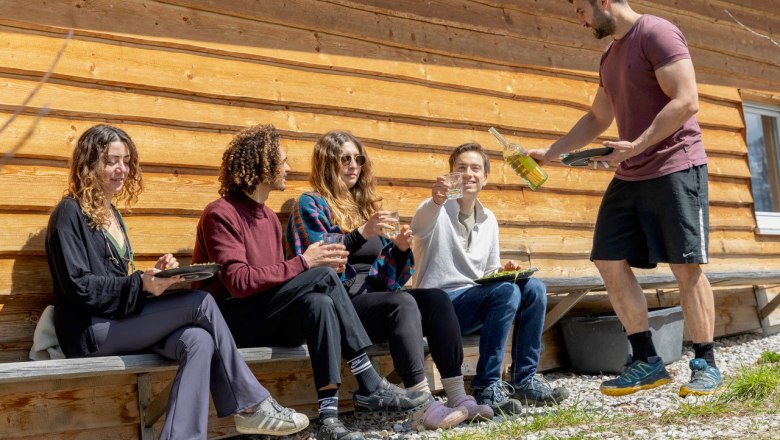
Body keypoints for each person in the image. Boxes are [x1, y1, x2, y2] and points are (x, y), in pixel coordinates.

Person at [44, 124, 309, 440]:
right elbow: (79, 286)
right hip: (90, 329)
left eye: (127, 161)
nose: (122, 170)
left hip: (120, 320)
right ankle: (252, 405)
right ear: (89, 164)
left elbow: (111, 280)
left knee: (198, 340)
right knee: (202, 302)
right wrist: (138, 285)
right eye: (113, 161)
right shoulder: (69, 213)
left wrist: (153, 277)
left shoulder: (110, 214)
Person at [528, 0, 721, 397]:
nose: (578, 18)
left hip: (675, 165)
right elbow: (598, 117)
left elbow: (686, 100)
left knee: (685, 267)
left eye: (581, 9)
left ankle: (706, 362)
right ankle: (647, 360)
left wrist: (636, 145)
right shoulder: (610, 55)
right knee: (607, 257)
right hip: (631, 171)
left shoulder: (656, 33)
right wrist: (552, 152)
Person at [191, 124, 431, 440]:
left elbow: (274, 279)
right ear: (262, 165)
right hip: (231, 321)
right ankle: (367, 378)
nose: (289, 168)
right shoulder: (220, 214)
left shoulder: (265, 216)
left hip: (266, 313)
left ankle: (330, 419)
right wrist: (305, 262)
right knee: (321, 273)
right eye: (283, 161)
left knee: (318, 302)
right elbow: (238, 282)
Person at [285, 131, 494, 429]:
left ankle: (458, 396)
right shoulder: (312, 204)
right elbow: (322, 263)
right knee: (402, 302)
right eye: (345, 159)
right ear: (327, 162)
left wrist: (398, 250)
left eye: (358, 159)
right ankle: (421, 404)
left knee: (435, 298)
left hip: (374, 298)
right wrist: (362, 234)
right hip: (340, 305)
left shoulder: (365, 206)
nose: (353, 165)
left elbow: (387, 277)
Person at [411, 142, 569, 414]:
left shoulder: (489, 219)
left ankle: (525, 379)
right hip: (439, 307)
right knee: (507, 292)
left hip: (474, 302)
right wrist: (437, 199)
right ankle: (486, 385)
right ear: (451, 174)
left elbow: (485, 274)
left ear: (485, 178)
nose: (468, 174)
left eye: (475, 168)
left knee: (533, 288)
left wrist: (503, 271)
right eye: (461, 168)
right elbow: (418, 228)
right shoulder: (435, 209)